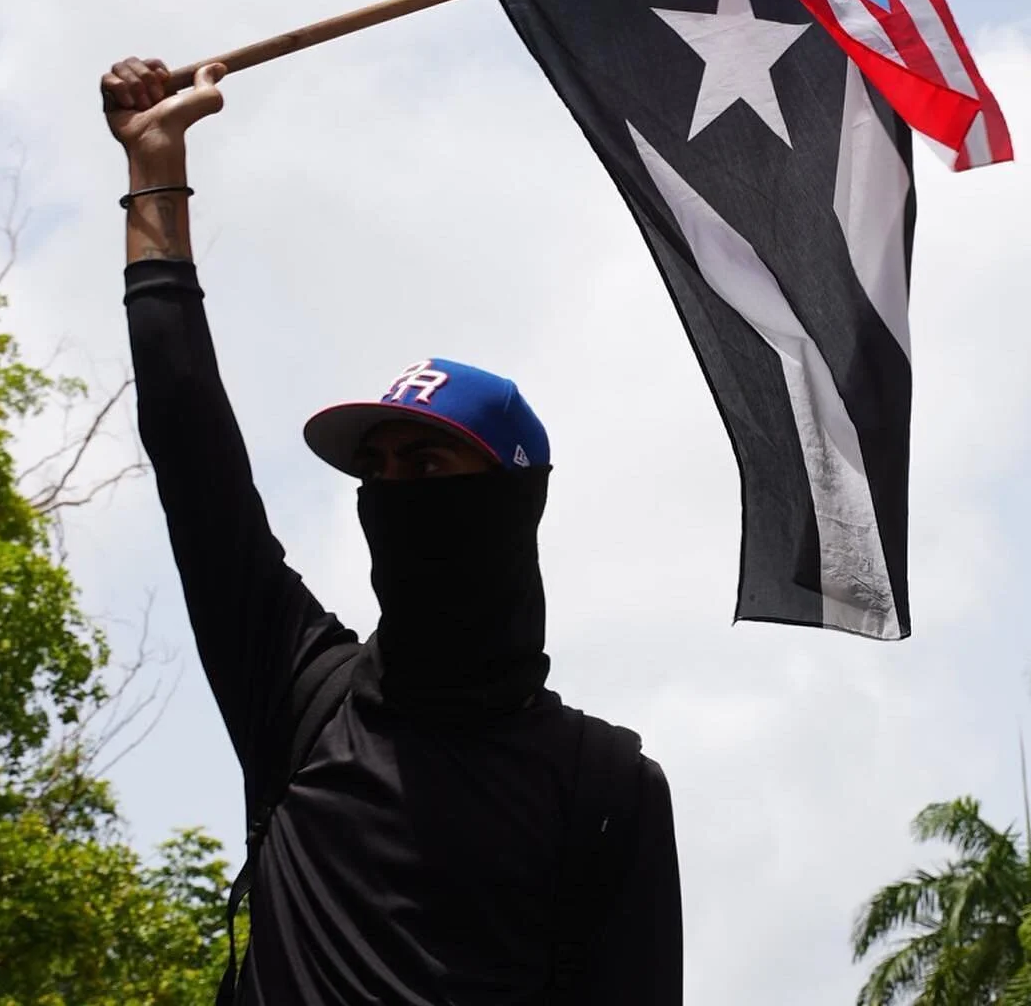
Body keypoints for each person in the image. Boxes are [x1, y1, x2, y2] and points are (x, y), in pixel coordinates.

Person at [101, 55, 682, 1005]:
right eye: (378, 472)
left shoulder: (607, 787)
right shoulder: (298, 689)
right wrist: (153, 170)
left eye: (428, 468)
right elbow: (189, 445)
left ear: (511, 503)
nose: (395, 493)